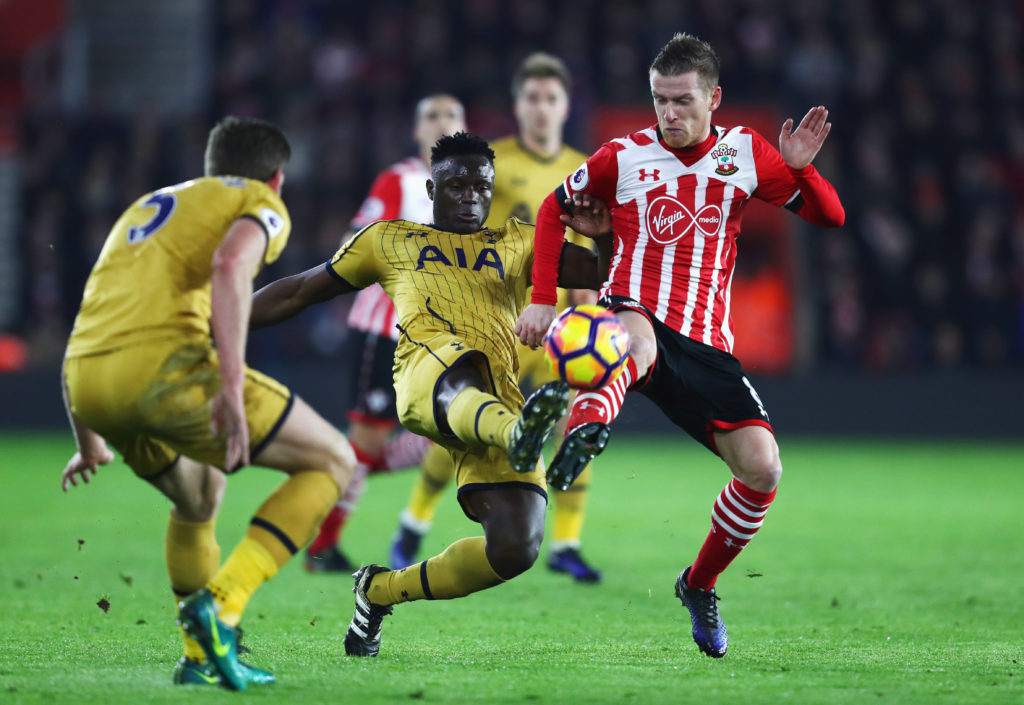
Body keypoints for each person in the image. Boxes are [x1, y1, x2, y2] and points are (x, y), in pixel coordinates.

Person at [516, 33, 845, 658]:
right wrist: (541, 296)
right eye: (659, 100)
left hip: (709, 345)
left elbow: (830, 218)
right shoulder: (623, 155)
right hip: (635, 310)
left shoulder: (748, 154)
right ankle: (582, 425)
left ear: (714, 98)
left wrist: (801, 168)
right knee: (632, 345)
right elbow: (554, 210)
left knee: (763, 468)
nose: (669, 113)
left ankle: (698, 584)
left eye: (682, 101)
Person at [249, 132, 609, 657]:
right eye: (456, 185)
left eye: (480, 187)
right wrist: (223, 321)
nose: (470, 196)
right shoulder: (390, 240)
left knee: (516, 547)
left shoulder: (521, 242)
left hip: (496, 397)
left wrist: (604, 235)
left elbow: (606, 269)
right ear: (431, 187)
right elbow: (302, 289)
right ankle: (521, 434)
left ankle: (377, 591)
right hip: (426, 373)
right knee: (462, 359)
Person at [59, 116, 357, 689]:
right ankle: (221, 609)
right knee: (333, 460)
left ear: (210, 168)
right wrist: (229, 385)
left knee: (200, 495)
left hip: (87, 380)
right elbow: (229, 266)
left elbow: (94, 310)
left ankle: (198, 657)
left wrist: (88, 441)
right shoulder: (259, 200)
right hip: (164, 368)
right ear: (276, 178)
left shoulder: (145, 209)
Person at [388, 53, 605, 583]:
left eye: (551, 99)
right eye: (532, 98)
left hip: (558, 320)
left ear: (565, 106)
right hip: (499, 317)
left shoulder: (582, 169)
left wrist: (587, 314)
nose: (541, 109)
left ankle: (567, 544)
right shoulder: (490, 163)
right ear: (518, 105)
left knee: (571, 424)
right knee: (473, 433)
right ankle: (413, 522)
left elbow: (582, 247)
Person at [304, 94, 466, 574]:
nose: (442, 124)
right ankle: (322, 543)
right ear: (416, 133)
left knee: (448, 434)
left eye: (451, 116)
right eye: (432, 117)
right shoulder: (401, 181)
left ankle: (342, 469)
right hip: (382, 329)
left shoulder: (470, 191)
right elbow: (353, 245)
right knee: (371, 439)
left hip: (432, 335)